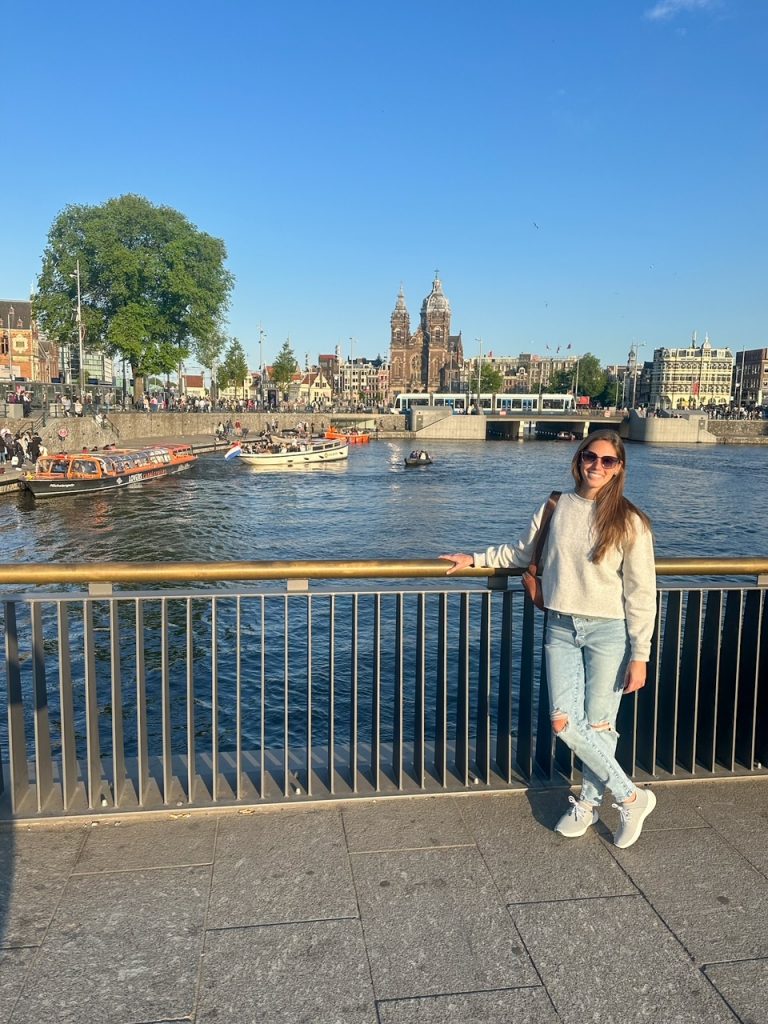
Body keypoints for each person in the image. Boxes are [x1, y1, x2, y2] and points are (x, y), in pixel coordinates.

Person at [441, 429, 657, 849]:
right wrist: (475, 558)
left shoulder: (630, 522)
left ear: (619, 468)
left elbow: (641, 593)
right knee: (563, 722)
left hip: (608, 632)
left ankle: (593, 802)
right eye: (590, 456)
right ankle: (632, 796)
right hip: (559, 625)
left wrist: (641, 654)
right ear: (579, 459)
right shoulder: (556, 505)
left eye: (607, 461)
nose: (596, 465)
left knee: (599, 725)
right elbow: (521, 553)